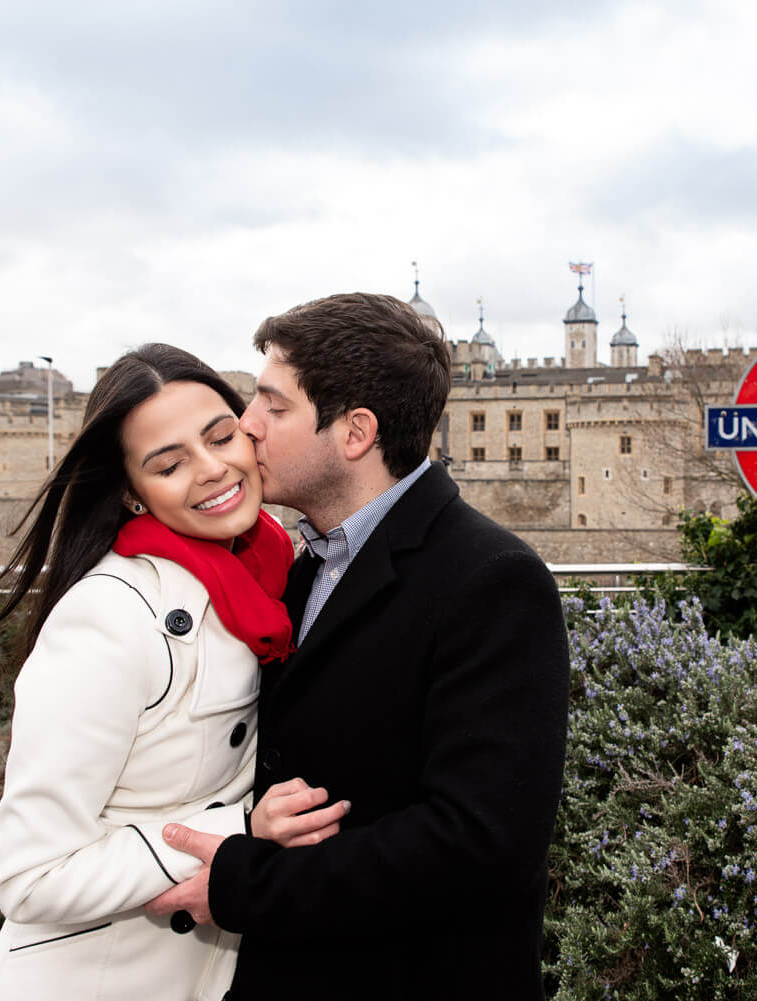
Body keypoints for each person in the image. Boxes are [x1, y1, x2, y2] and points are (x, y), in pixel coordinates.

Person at [145, 293, 571, 1000]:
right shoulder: (302, 563)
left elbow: (480, 845)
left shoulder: (492, 580)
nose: (246, 427)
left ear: (354, 433)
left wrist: (247, 882)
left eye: (273, 407)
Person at [0, 344, 348, 1001]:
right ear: (131, 493)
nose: (211, 470)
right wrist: (240, 832)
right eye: (169, 464)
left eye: (221, 435)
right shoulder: (109, 618)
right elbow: (29, 877)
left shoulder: (265, 571)